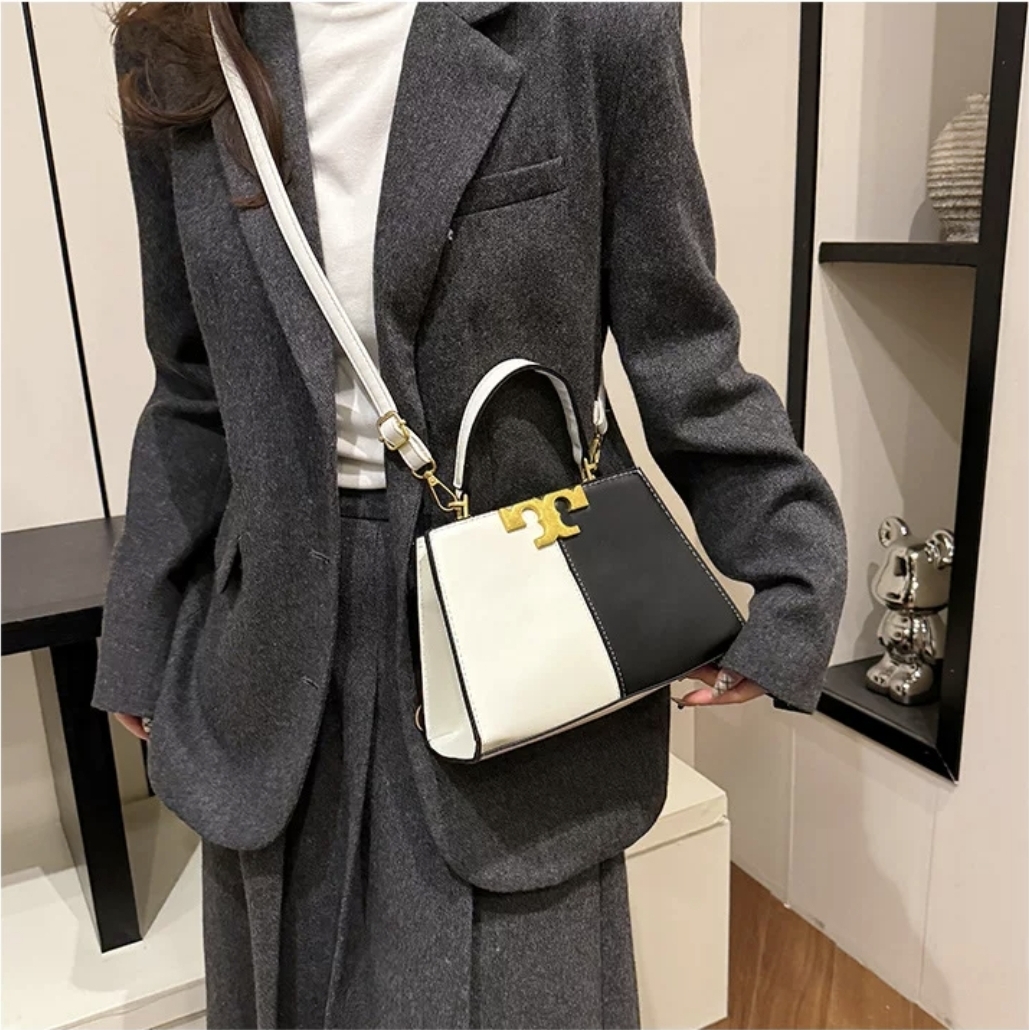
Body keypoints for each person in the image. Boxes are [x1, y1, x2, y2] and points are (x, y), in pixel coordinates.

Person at [91, 3, 848, 1028]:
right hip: (272, 665)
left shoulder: (593, 24)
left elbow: (680, 342)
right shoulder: (182, 41)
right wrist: (142, 623)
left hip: (517, 657)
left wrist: (793, 564)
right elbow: (193, 384)